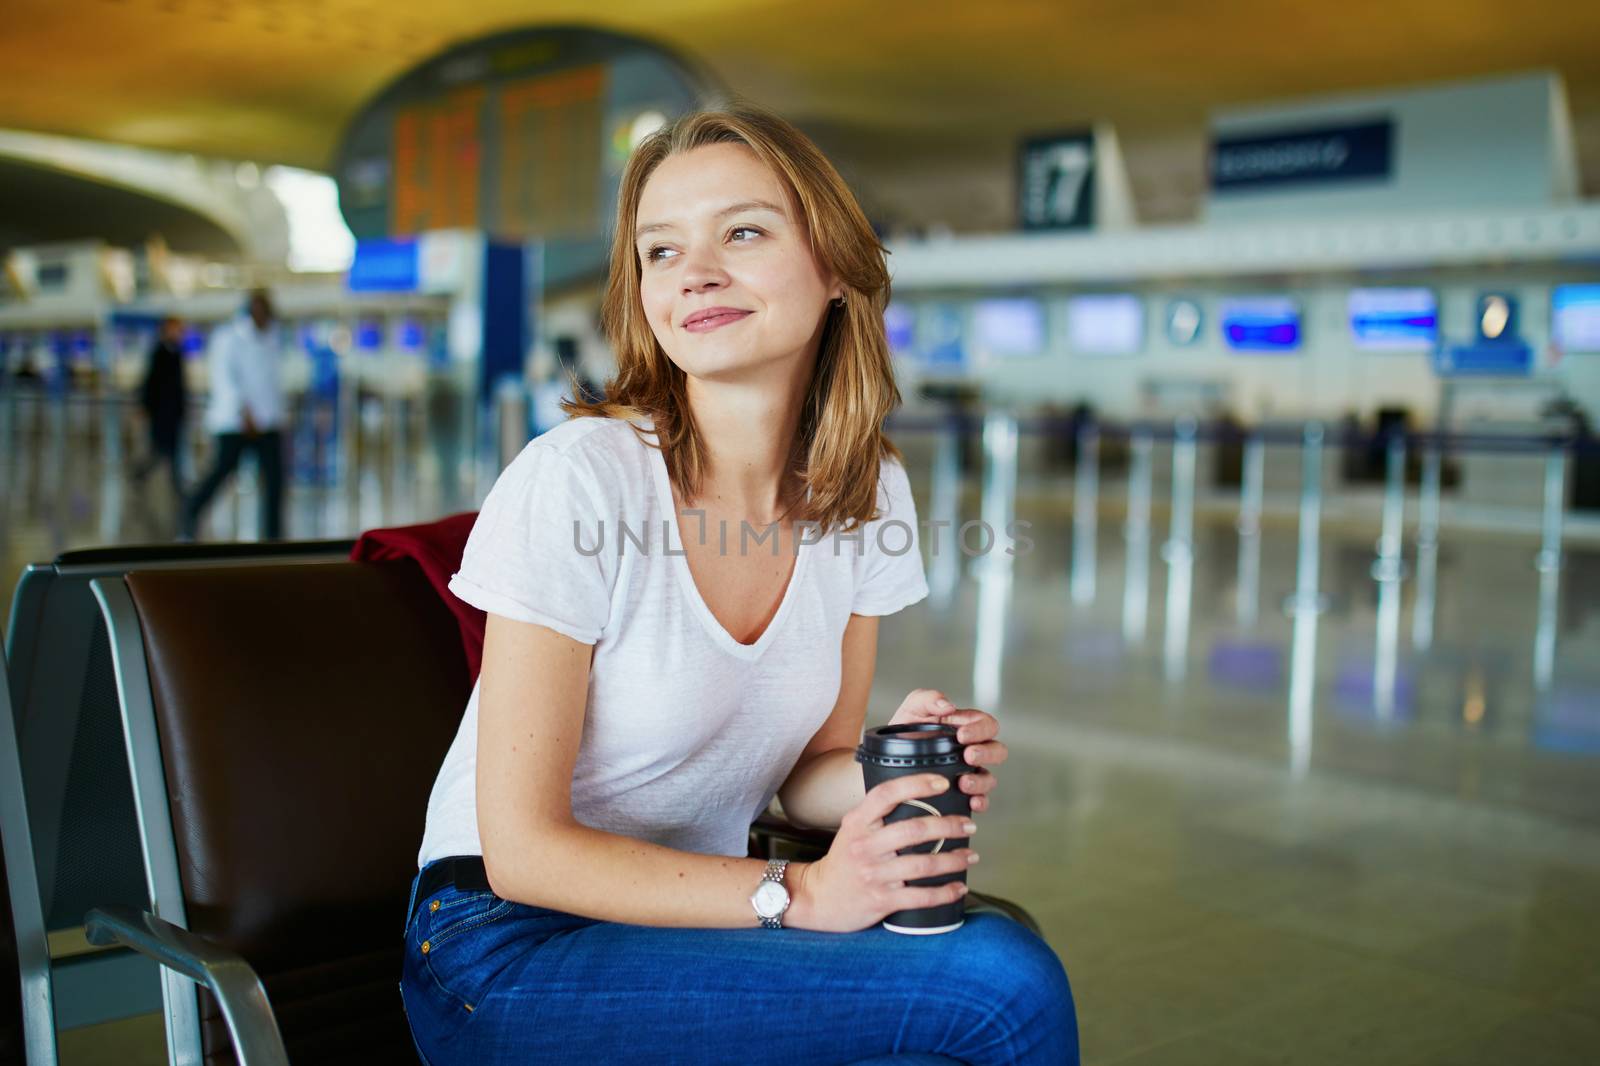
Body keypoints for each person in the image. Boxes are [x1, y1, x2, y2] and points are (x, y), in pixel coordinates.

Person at [401, 106, 1077, 1065]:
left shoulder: (867, 489)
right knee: (998, 989)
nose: (696, 273)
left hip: (689, 918)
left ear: (836, 265)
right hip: (501, 942)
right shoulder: (579, 478)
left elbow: (807, 780)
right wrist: (800, 897)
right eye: (661, 251)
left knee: (963, 992)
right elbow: (523, 851)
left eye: (744, 232)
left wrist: (899, 764)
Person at [180, 290, 286, 541]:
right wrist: (244, 411)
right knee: (222, 471)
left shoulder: (271, 338)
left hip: (268, 421)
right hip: (236, 422)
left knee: (274, 479)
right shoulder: (228, 337)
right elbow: (226, 379)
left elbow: (270, 382)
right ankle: (190, 512)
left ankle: (273, 535)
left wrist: (274, 415)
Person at [130, 315, 188, 509]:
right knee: (162, 451)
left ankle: (175, 485)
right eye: (175, 328)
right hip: (161, 414)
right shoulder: (159, 353)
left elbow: (180, 387)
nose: (179, 333)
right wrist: (145, 407)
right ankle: (142, 474)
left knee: (169, 451)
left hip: (174, 414)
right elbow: (150, 383)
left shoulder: (177, 353)